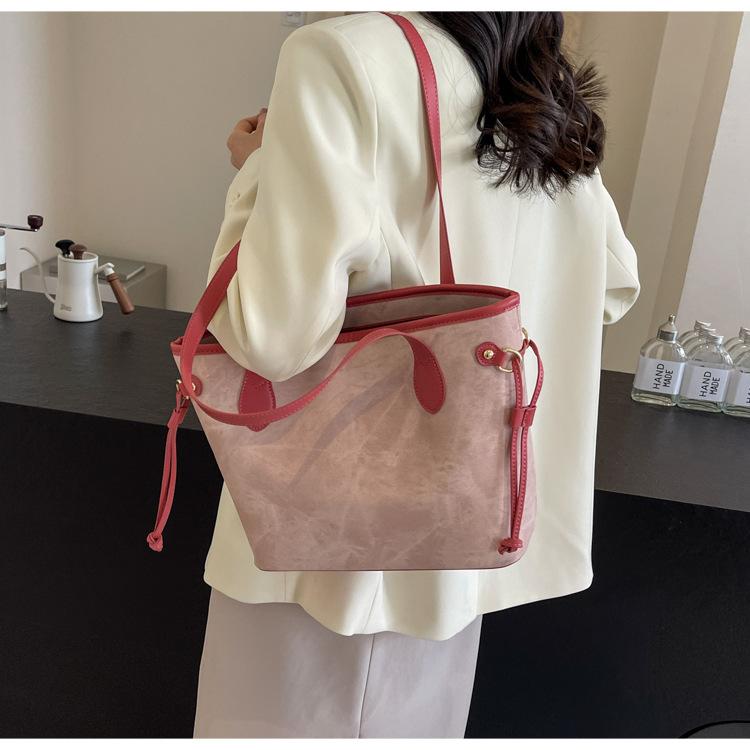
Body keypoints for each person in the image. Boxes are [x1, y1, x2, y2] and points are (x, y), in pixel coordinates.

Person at [193, 11, 639, 738]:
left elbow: (273, 338)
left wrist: (258, 169)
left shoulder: (337, 52)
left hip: (331, 543)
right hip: (464, 531)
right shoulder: (531, 72)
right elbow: (612, 285)